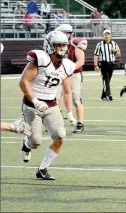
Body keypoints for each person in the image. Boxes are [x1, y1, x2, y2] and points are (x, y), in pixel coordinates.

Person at [19, 30, 76, 180]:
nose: (62, 49)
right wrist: (36, 101)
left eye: (64, 45)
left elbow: (67, 89)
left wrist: (69, 111)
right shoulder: (40, 59)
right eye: (58, 45)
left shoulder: (68, 65)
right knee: (36, 142)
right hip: (32, 104)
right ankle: (27, 143)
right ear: (49, 45)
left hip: (51, 105)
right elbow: (23, 82)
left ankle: (43, 169)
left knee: (60, 136)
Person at [55, 24, 88, 132]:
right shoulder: (55, 45)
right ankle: (57, 122)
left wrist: (68, 69)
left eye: (68, 33)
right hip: (59, 74)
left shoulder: (74, 45)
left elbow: (81, 61)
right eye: (64, 32)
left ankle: (80, 123)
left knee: (76, 99)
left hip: (74, 74)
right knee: (54, 97)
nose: (66, 35)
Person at [94, 29, 121, 101]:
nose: (107, 36)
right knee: (106, 79)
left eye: (108, 34)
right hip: (104, 63)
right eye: (105, 34)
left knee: (107, 81)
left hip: (111, 64)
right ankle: (109, 95)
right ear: (103, 36)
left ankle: (103, 96)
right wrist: (96, 65)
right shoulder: (100, 44)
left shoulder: (114, 44)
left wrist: (115, 51)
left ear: (110, 35)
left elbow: (118, 55)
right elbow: (96, 55)